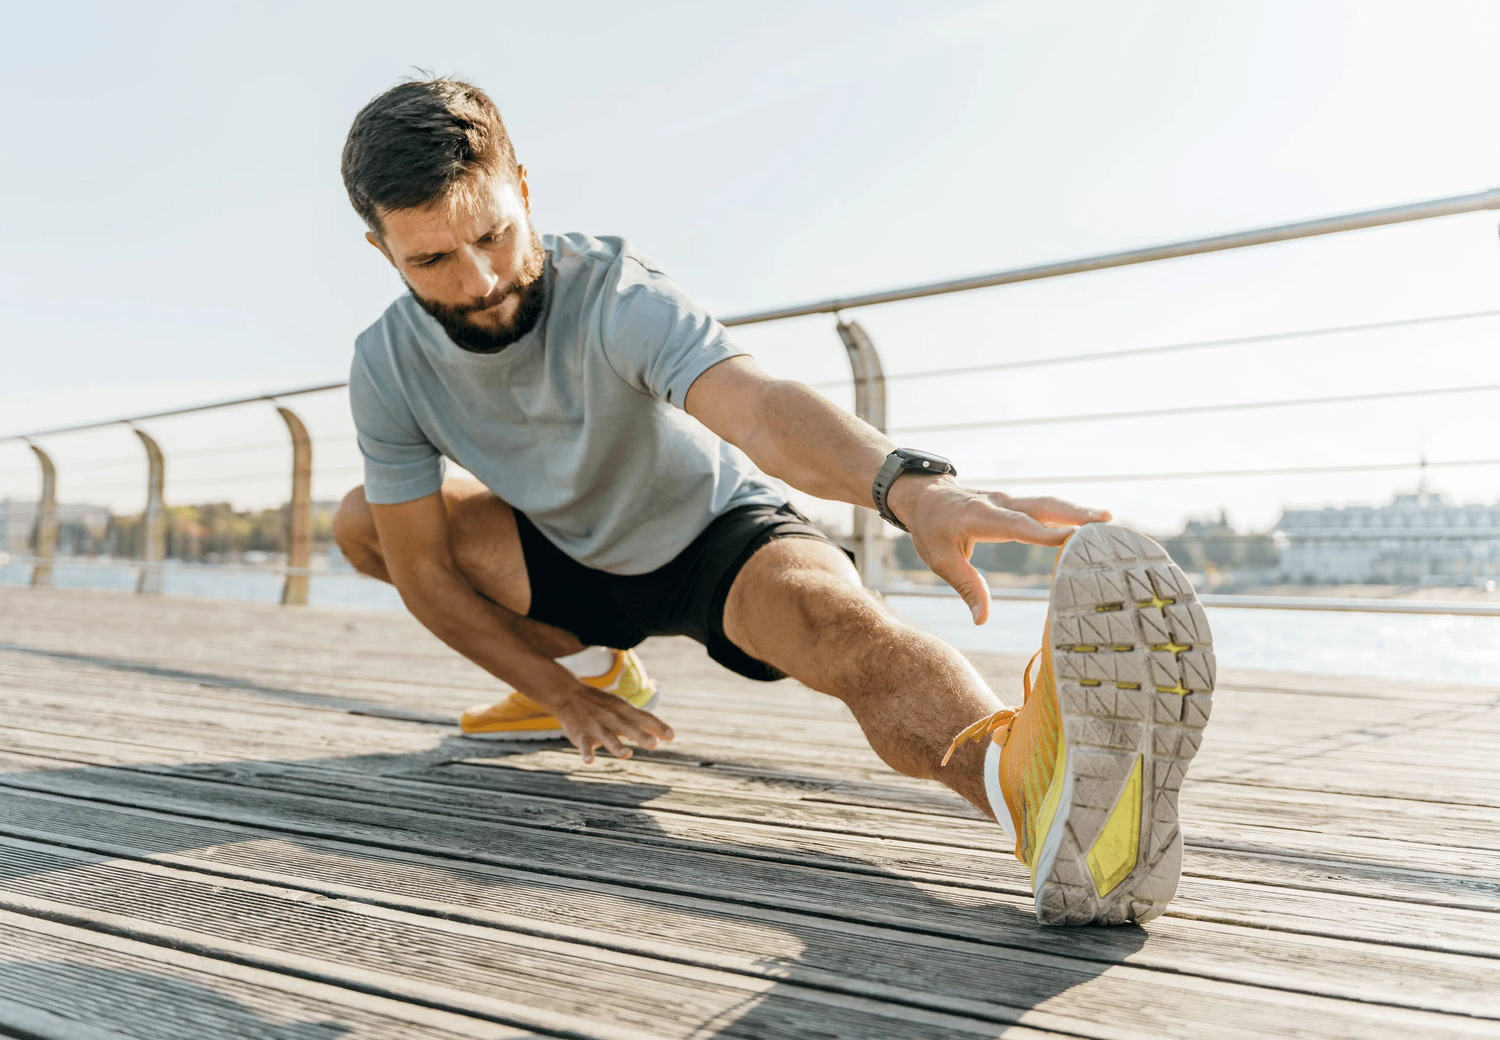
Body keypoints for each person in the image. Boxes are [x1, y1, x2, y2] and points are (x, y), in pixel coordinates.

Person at [332, 77, 1215, 926]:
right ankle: (600, 666)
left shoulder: (616, 294)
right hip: (563, 558)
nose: (479, 279)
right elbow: (421, 571)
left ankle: (1039, 793)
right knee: (364, 522)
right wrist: (560, 695)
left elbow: (757, 409)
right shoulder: (386, 365)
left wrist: (911, 489)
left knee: (840, 628)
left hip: (716, 539)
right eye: (434, 259)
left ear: (523, 188)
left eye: (493, 234)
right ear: (381, 250)